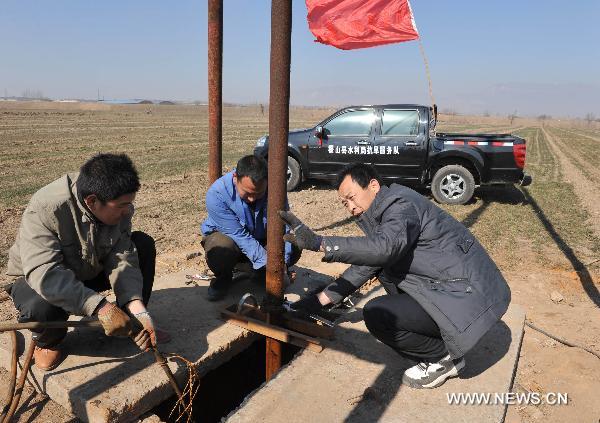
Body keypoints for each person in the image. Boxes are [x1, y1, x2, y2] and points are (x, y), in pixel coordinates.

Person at [279, 163, 511, 389]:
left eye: (351, 197)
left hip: (464, 294)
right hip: (454, 289)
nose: (349, 206)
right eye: (344, 203)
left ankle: (443, 358)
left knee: (378, 314)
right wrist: (317, 302)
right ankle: (445, 342)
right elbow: (370, 262)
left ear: (373, 186)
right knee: (389, 279)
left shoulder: (400, 205)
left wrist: (320, 243)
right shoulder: (383, 212)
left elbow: (384, 248)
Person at [5, 153, 169, 371]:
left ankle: (132, 325)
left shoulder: (116, 205)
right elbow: (46, 275)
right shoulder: (46, 208)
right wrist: (100, 307)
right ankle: (47, 343)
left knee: (143, 245)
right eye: (122, 205)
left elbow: (122, 257)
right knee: (41, 306)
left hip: (87, 268)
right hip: (37, 279)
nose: (128, 210)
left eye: (130, 203)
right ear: (92, 201)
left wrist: (137, 308)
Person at [201, 155, 300, 301]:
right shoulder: (217, 194)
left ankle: (258, 273)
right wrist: (270, 264)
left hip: (260, 239)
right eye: (247, 193)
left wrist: (281, 264)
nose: (252, 199)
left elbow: (283, 228)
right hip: (232, 240)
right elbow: (239, 236)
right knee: (221, 249)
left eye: (259, 193)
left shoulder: (276, 189)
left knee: (294, 243)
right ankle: (224, 278)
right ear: (235, 178)